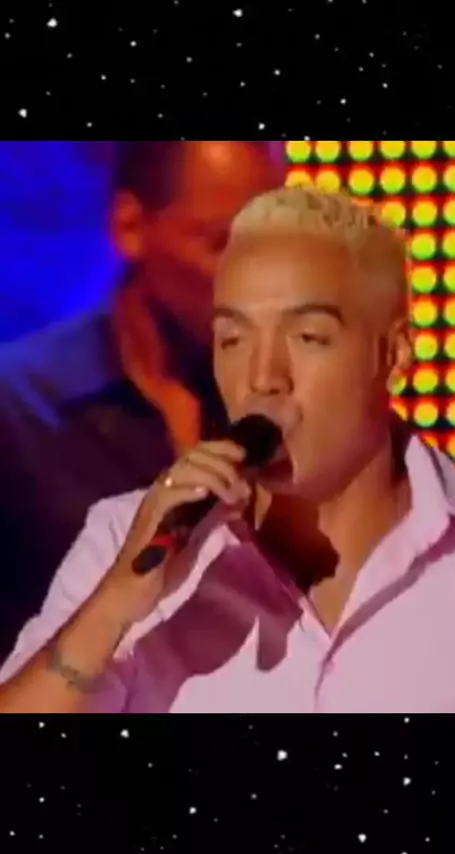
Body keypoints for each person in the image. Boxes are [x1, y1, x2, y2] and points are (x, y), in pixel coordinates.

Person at [2, 185, 455, 714]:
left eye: (308, 337)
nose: (262, 377)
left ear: (392, 354)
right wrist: (113, 607)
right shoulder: (126, 542)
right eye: (232, 339)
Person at [0, 141, 282, 660]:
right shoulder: (18, 408)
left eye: (270, 249)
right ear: (130, 226)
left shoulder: (283, 405)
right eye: (222, 244)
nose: (256, 280)